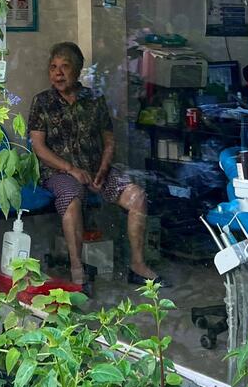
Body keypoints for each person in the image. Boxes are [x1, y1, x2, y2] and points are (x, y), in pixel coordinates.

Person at [28, 42, 164, 289]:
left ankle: (137, 265)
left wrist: (103, 169)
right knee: (71, 198)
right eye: (53, 67)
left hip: (96, 170)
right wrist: (71, 169)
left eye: (65, 67)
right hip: (59, 172)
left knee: (137, 197)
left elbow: (109, 140)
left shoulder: (94, 99)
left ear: (78, 69)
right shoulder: (43, 102)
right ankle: (77, 271)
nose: (58, 73)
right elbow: (39, 147)